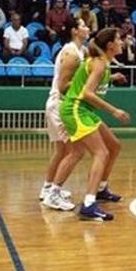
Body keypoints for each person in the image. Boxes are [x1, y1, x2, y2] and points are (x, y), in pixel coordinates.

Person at [50, 28, 131, 221]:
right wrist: (114, 110)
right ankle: (88, 204)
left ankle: (99, 189)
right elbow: (87, 93)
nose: (122, 42)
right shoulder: (99, 63)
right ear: (110, 45)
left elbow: (90, 80)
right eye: (119, 39)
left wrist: (112, 77)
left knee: (113, 146)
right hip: (76, 109)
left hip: (83, 110)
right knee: (100, 152)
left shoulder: (102, 63)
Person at [40, 19, 89, 209]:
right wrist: (86, 88)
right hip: (59, 105)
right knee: (76, 151)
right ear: (74, 31)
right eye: (83, 25)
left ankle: (47, 188)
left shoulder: (80, 51)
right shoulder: (70, 54)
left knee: (61, 151)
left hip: (56, 105)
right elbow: (63, 86)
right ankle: (54, 194)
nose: (87, 28)